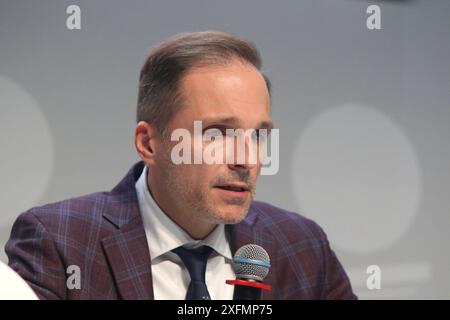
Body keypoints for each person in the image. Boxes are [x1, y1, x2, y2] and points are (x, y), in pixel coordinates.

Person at [5, 31, 356, 300]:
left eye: (258, 135)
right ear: (148, 143)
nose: (246, 159)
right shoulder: (61, 242)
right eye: (217, 133)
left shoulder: (303, 245)